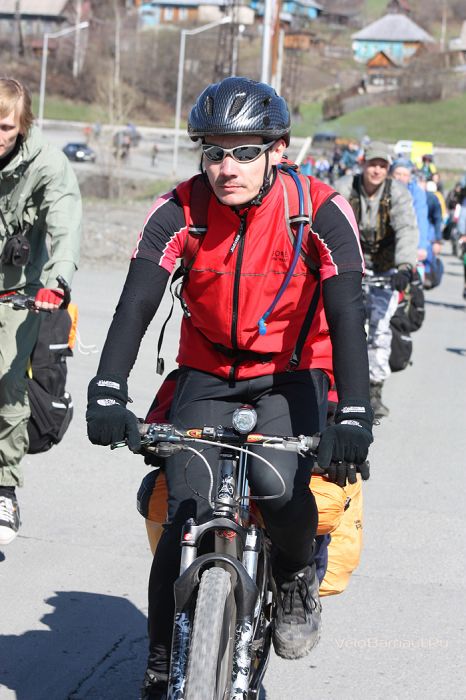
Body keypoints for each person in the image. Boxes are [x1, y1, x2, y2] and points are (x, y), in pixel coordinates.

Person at [86, 77, 373, 699]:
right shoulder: (179, 210)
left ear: (279, 150)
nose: (227, 167)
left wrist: (354, 412)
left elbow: (349, 310)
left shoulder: (319, 209)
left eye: (245, 152)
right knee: (185, 513)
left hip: (291, 376)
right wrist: (106, 389)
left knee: (277, 486)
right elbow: (136, 301)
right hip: (208, 373)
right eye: (215, 152)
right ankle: (160, 664)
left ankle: (293, 578)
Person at [0, 77, 82, 545]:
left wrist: (57, 280)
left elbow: (65, 221)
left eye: (6, 127)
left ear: (23, 126)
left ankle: (5, 488)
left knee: (7, 378)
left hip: (20, 291)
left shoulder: (46, 163)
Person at [335, 142, 418, 418]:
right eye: (373, 164)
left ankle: (374, 390)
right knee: (341, 324)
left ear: (388, 169)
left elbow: (407, 228)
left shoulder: (398, 193)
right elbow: (327, 220)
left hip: (385, 268)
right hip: (351, 265)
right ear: (363, 164)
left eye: (383, 166)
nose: (377, 170)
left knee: (380, 330)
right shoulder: (345, 186)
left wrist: (405, 267)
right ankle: (336, 385)